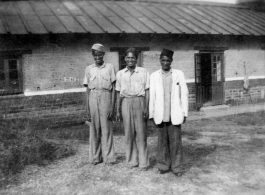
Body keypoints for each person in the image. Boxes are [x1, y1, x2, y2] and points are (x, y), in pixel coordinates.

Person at [149, 48, 189, 176]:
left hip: (175, 114)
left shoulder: (179, 74)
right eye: (163, 60)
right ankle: (163, 165)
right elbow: (152, 97)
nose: (165, 63)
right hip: (160, 114)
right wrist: (151, 114)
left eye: (168, 60)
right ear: (160, 61)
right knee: (162, 143)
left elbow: (184, 94)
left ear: (171, 61)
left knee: (176, 142)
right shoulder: (154, 76)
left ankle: (177, 167)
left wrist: (185, 113)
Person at [116, 48, 150, 170]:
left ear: (137, 59)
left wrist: (146, 106)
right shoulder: (120, 73)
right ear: (124, 58)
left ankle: (143, 162)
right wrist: (118, 109)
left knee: (141, 133)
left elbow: (147, 90)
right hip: (126, 101)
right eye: (128, 57)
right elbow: (118, 92)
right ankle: (131, 161)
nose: (130, 60)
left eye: (133, 58)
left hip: (139, 101)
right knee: (129, 133)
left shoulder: (143, 72)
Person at [83, 43, 116, 165]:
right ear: (93, 56)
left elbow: (113, 88)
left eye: (100, 54)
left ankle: (109, 158)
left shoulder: (110, 67)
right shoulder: (89, 69)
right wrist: (87, 108)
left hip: (106, 97)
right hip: (93, 97)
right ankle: (95, 157)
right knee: (94, 129)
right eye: (95, 55)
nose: (98, 57)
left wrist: (112, 107)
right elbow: (87, 90)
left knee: (106, 129)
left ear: (103, 54)